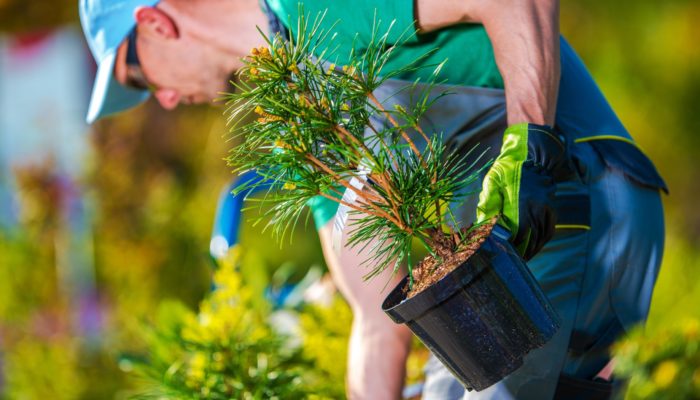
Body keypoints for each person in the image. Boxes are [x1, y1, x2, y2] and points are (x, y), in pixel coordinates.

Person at [80, 0, 667, 399]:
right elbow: (374, 316)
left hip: (573, 192)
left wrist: (530, 144)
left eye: (138, 78)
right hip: (502, 260)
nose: (162, 99)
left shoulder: (308, 5)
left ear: (156, 22)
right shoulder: (301, 115)